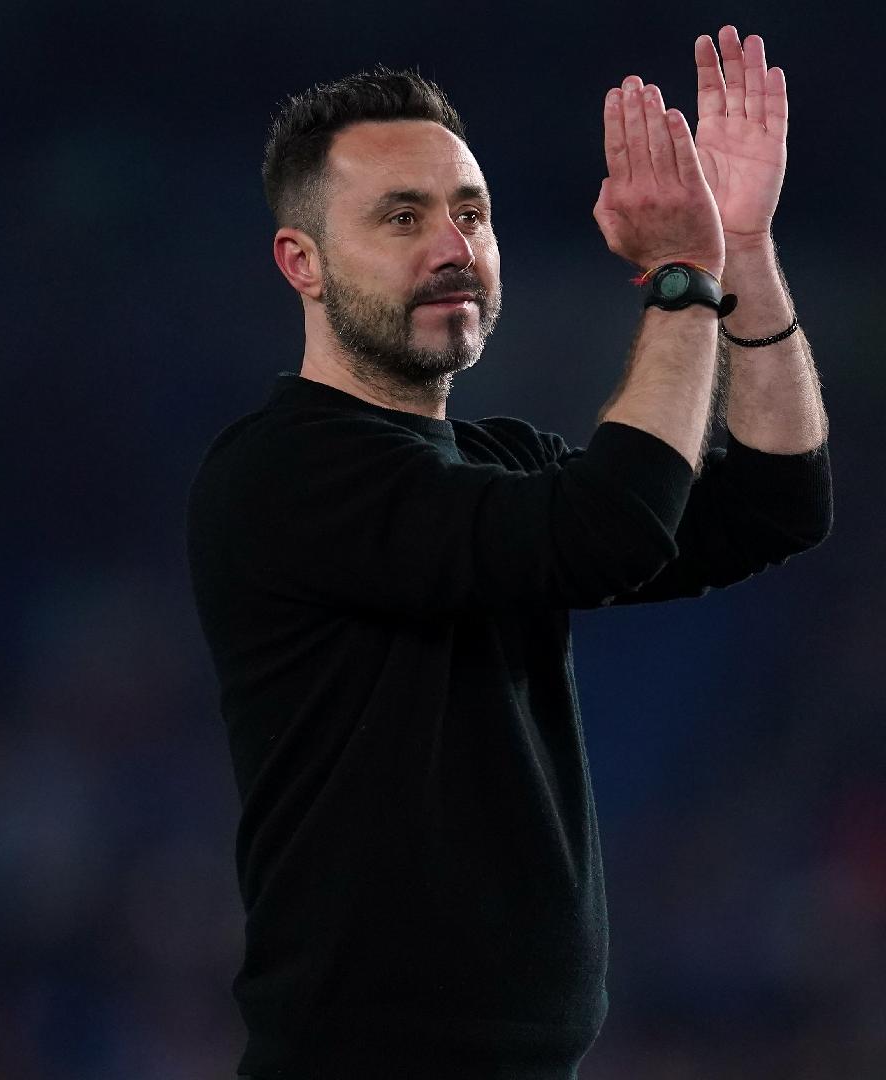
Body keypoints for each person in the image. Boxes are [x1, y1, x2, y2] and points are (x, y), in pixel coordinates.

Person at [186, 25, 830, 1078]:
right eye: (402, 218)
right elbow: (610, 528)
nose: (452, 246)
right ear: (300, 262)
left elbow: (777, 503)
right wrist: (680, 275)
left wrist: (743, 252)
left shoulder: (496, 463)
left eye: (470, 213)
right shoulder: (280, 473)